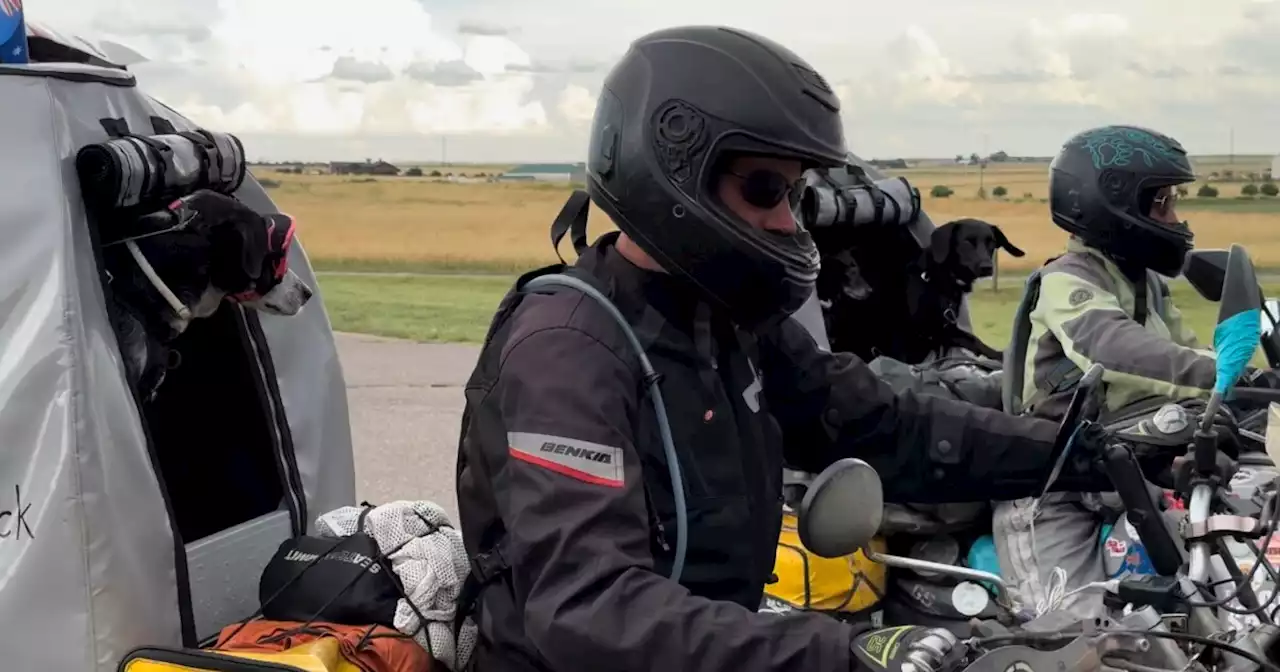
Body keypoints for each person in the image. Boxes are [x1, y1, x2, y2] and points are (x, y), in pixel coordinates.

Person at [453, 32, 1197, 672]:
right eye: (765, 187)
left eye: (797, 192)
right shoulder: (569, 350)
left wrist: (1099, 451)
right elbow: (590, 610)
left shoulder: (726, 324)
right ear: (670, 166)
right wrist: (844, 654)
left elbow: (886, 427)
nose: (787, 219)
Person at [995, 124, 1272, 619]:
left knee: (1210, 600)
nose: (1175, 218)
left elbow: (1185, 351)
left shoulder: (1147, 285)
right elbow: (1112, 346)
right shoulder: (1067, 279)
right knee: (1075, 635)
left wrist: (1252, 382)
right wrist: (1219, 376)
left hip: (1128, 473)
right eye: (1161, 203)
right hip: (1052, 486)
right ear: (1112, 205)